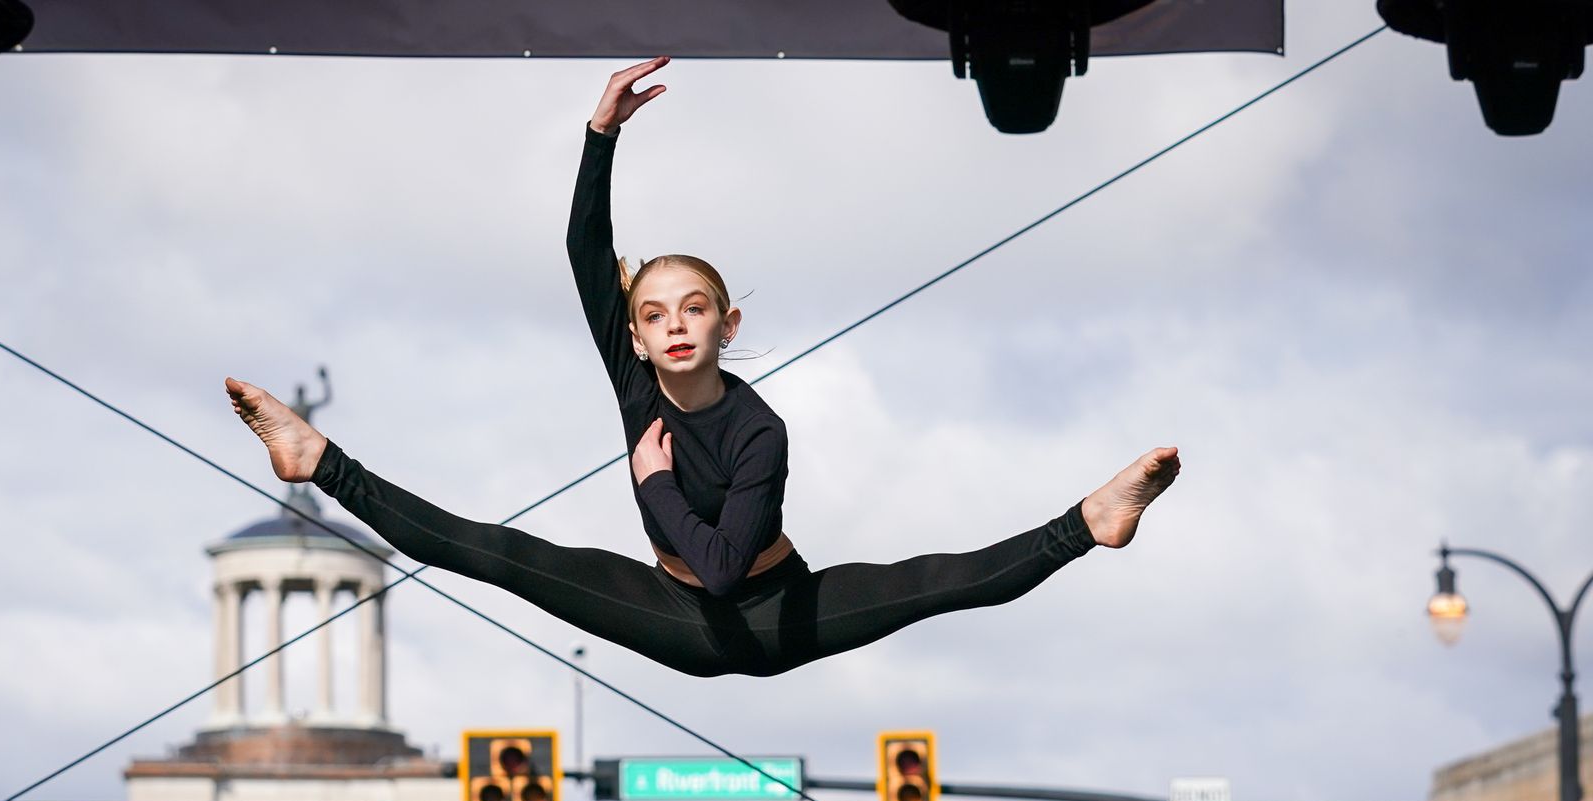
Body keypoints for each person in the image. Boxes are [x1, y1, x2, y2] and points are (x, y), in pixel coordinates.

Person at [225, 57, 1178, 679]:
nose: (672, 326)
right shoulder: (636, 377)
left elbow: (724, 573)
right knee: (494, 554)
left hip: (772, 614)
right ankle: (319, 462)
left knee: (939, 580)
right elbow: (585, 252)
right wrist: (601, 135)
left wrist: (654, 482)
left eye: (692, 309)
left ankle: (1088, 522)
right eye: (652, 315)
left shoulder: (760, 431)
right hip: (667, 608)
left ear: (726, 324)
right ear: (636, 337)